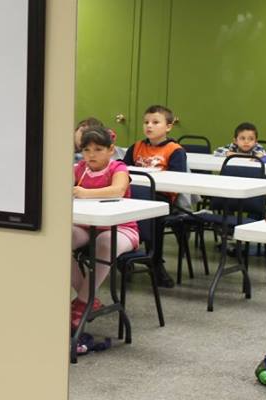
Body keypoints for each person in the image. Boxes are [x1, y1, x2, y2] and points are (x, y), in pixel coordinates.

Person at [71, 125, 136, 330]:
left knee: (105, 242)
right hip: (86, 225)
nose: (91, 155)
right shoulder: (79, 169)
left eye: (98, 149)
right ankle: (89, 298)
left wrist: (83, 193)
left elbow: (118, 190)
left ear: (110, 150)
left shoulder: (118, 168)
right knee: (59, 240)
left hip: (120, 227)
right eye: (87, 150)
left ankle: (82, 303)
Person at [122, 104, 187, 287]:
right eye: (146, 122)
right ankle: (122, 258)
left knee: (154, 216)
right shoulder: (136, 147)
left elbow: (177, 179)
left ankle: (155, 261)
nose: (149, 126)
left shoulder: (175, 150)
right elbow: (122, 170)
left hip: (161, 198)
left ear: (168, 126)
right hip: (134, 196)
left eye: (155, 122)